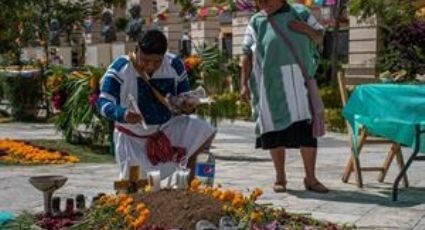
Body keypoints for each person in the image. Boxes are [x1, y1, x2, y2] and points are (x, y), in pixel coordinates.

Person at [97, 29, 215, 181]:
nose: (151, 66)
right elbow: (103, 102)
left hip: (166, 129)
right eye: (145, 60)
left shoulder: (175, 65)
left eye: (157, 61)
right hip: (132, 137)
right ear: (137, 50)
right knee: (133, 189)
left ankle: (189, 187)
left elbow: (184, 95)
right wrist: (123, 114)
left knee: (203, 131)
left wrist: (188, 106)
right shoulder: (120, 68)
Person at [240, 0, 328, 193]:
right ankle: (281, 178)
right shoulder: (256, 21)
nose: (263, 4)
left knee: (306, 131)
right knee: (274, 134)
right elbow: (246, 53)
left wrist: (306, 29)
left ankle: (311, 179)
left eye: (266, 0)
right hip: (269, 85)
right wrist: (244, 84)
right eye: (258, 1)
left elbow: (320, 38)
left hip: (299, 82)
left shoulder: (300, 12)